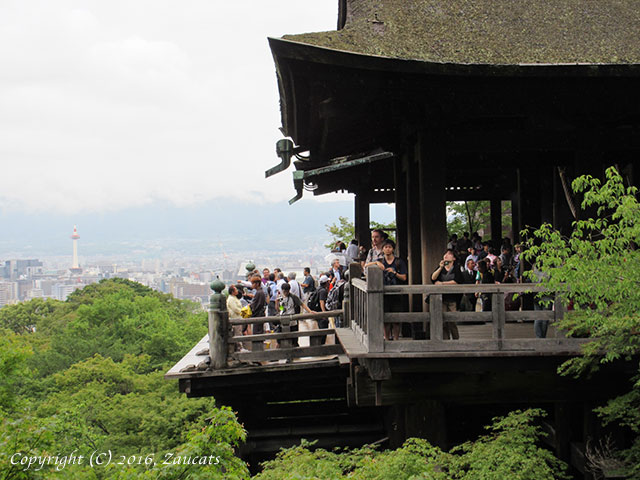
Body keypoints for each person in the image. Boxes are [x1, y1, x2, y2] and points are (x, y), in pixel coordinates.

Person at [366, 239, 407, 341]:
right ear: (383, 249)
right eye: (385, 247)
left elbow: (404, 277)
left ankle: (396, 339)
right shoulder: (380, 261)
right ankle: (387, 339)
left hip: (397, 292)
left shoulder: (399, 262)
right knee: (385, 319)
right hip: (383, 293)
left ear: (393, 249)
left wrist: (395, 273)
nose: (387, 249)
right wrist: (376, 263)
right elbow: (365, 267)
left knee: (396, 319)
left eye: (390, 247)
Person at [430, 249, 463, 339]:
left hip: (453, 298)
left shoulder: (456, 268)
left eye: (449, 254)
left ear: (454, 258)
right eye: (445, 254)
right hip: (442, 298)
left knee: (452, 321)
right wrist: (440, 267)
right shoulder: (441, 267)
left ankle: (456, 340)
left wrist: (442, 283)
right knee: (443, 321)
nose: (446, 255)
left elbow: (457, 281)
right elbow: (433, 278)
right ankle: (446, 341)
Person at [275, 282, 313, 348]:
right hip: (283, 320)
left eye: (287, 291)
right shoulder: (280, 298)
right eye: (284, 291)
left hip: (293, 320)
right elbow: (280, 309)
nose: (285, 293)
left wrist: (310, 311)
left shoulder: (293, 297)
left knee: (294, 338)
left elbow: (302, 304)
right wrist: (277, 303)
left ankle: (294, 353)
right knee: (280, 338)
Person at [227, 285, 246, 352]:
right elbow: (235, 309)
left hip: (238, 317)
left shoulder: (234, 297)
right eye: (236, 290)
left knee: (239, 332)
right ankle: (240, 347)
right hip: (235, 318)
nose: (237, 291)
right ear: (232, 292)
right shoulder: (231, 299)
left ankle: (240, 347)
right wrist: (243, 312)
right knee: (237, 333)